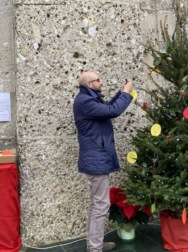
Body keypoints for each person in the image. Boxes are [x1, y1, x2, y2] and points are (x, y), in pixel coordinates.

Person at [73, 71, 134, 251]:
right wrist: (126, 93)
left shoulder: (90, 99)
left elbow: (108, 107)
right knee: (101, 205)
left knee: (96, 204)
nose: (101, 82)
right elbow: (113, 111)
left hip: (97, 159)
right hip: (96, 160)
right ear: (88, 84)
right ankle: (95, 248)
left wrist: (121, 92)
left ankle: (95, 244)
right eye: (97, 80)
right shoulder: (85, 102)